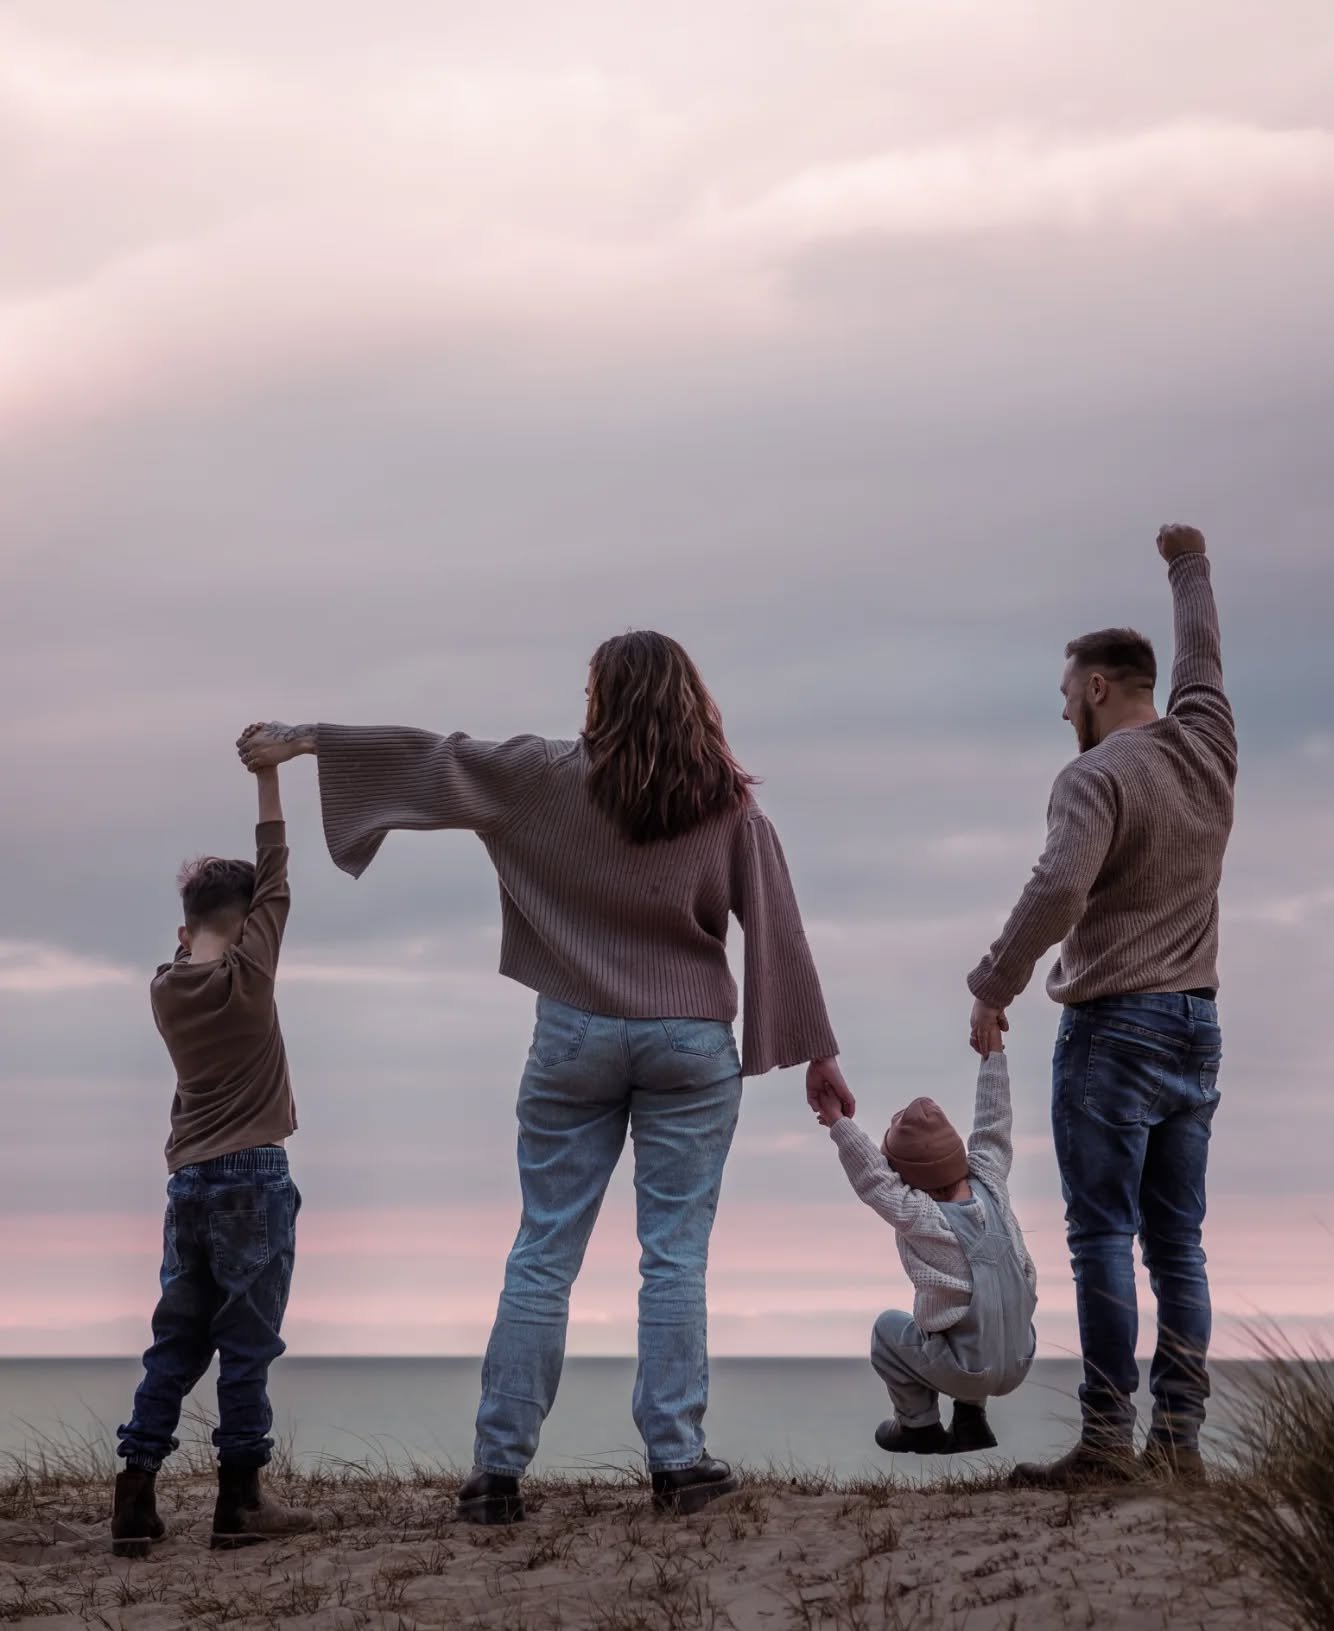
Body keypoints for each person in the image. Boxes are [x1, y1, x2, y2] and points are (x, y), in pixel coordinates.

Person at [237, 630, 852, 1523]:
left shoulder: (544, 775)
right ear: (692, 699)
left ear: (601, 696)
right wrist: (819, 1055)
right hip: (687, 1042)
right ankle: (678, 1464)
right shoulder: (729, 807)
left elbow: (439, 758)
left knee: (543, 1252)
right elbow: (778, 929)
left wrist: (307, 739)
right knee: (673, 1257)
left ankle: (497, 1474)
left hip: (575, 1038)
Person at [966, 524, 1236, 1487]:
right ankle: (1181, 1446)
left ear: (1092, 688)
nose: (1063, 714)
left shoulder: (1092, 775)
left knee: (1099, 1238)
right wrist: (1188, 565)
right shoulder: (1208, 743)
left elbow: (1055, 893)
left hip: (1114, 1029)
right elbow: (1202, 658)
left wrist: (993, 984)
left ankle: (1107, 1444)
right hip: (1197, 1025)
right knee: (1178, 1243)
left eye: (1065, 696)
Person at [112, 748, 312, 1556]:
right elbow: (277, 866)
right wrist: (269, 770)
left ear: (185, 926)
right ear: (251, 918)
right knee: (248, 1342)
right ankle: (239, 1499)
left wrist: (196, 932)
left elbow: (250, 894)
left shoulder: (165, 986)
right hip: (254, 1178)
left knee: (177, 1339)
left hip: (187, 1182)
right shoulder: (251, 976)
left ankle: (135, 1492)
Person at [818, 1045, 1036, 1456]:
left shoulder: (922, 1215)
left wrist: (837, 1122)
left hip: (968, 1370)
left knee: (888, 1329)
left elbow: (873, 1179)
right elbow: (994, 1121)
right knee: (977, 1312)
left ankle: (918, 1425)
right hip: (1021, 1358)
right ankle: (971, 1420)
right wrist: (994, 1053)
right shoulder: (990, 1178)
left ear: (907, 1177)